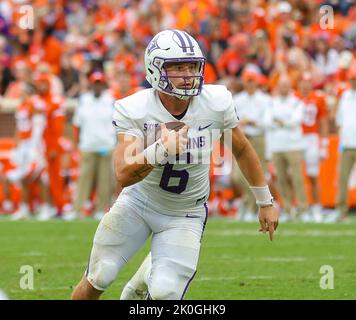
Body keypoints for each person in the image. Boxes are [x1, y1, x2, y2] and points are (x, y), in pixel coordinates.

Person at [71, 29, 279, 300]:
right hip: (138, 203)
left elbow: (241, 148)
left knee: (165, 292)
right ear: (155, 70)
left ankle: (149, 274)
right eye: (177, 67)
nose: (187, 74)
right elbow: (122, 174)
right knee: (100, 274)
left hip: (186, 212)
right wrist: (159, 150)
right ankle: (149, 270)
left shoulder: (215, 103)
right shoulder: (134, 108)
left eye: (192, 66)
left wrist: (265, 202)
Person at [65, 71, 116, 220]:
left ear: (103, 85)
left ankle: (101, 209)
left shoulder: (111, 101)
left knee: (105, 181)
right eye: (95, 84)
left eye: (100, 84)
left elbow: (117, 125)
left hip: (106, 146)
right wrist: (77, 144)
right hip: (87, 146)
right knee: (83, 180)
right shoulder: (84, 100)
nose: (97, 87)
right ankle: (78, 209)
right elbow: (77, 125)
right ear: (91, 85)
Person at [264, 75, 308, 221]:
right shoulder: (272, 103)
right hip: (277, 145)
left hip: (293, 144)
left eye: (286, 85)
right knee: (281, 179)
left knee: (297, 178)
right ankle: (288, 209)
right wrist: (283, 122)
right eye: (281, 85)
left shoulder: (296, 102)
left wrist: (279, 121)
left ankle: (303, 209)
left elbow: (296, 121)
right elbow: (266, 121)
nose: (283, 88)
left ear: (290, 87)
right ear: (278, 86)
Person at [297, 72, 329, 222]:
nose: (305, 85)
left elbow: (323, 121)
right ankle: (297, 207)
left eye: (308, 82)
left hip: (311, 139)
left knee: (312, 175)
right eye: (303, 82)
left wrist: (324, 144)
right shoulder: (293, 97)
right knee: (294, 175)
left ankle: (317, 208)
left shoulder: (319, 98)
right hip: (295, 138)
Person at [335, 64, 356, 222]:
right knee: (342, 178)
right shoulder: (345, 96)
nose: (353, 82)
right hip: (347, 143)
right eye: (352, 79)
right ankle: (341, 211)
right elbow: (339, 120)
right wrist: (340, 141)